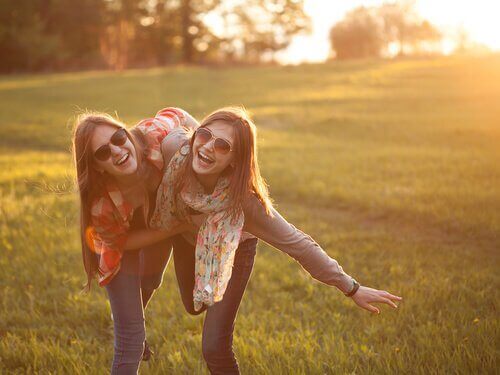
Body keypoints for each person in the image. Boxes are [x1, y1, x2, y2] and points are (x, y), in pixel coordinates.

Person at [151, 107, 403, 374]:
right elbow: (173, 117)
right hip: (188, 242)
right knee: (193, 306)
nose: (208, 147)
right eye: (205, 134)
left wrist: (351, 287)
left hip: (233, 249)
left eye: (223, 145)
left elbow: (299, 244)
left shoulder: (245, 204)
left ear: (235, 160)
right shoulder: (174, 148)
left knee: (214, 346)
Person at [72, 107, 198, 374]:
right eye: (103, 152)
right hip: (118, 244)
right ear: (97, 165)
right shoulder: (101, 204)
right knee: (130, 340)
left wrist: (199, 147)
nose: (116, 150)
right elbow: (122, 244)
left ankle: (131, 314)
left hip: (153, 217)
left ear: (126, 133)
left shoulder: (154, 137)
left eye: (118, 138)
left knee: (151, 280)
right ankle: (129, 323)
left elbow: (177, 113)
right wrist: (176, 226)